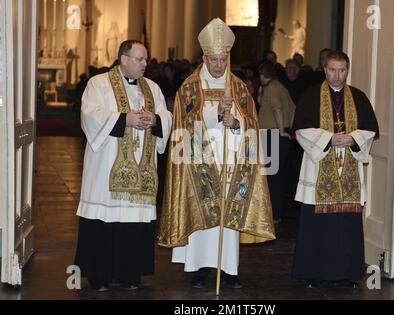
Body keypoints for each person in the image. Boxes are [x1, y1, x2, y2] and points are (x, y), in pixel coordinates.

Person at [158, 18, 275, 290]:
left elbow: (251, 122)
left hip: (232, 161)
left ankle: (229, 269)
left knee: (227, 218)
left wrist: (235, 122)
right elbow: (183, 123)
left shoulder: (239, 88)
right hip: (198, 161)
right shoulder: (189, 86)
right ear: (204, 57)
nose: (219, 65)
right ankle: (199, 270)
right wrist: (214, 114)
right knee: (202, 216)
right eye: (213, 60)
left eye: (223, 60)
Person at [74, 40, 172, 292]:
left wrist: (155, 119)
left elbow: (167, 116)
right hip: (106, 168)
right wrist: (124, 119)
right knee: (105, 219)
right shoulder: (98, 84)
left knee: (135, 221)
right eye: (139, 59)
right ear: (123, 59)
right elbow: (89, 115)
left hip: (142, 169)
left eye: (146, 60)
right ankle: (100, 276)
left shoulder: (153, 87)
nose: (144, 64)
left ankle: (131, 274)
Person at [292, 51, 379, 289]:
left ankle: (345, 272)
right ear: (325, 69)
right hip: (318, 166)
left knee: (346, 224)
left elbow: (370, 129)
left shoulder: (358, 97)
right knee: (315, 225)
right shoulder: (311, 96)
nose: (337, 75)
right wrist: (329, 139)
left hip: (348, 164)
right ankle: (312, 272)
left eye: (341, 70)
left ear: (347, 70)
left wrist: (352, 138)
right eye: (332, 69)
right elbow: (300, 129)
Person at [258, 61, 296, 223]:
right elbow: (293, 109)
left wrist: (281, 132)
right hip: (278, 133)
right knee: (276, 175)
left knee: (272, 176)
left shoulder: (272, 89)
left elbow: (277, 109)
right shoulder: (279, 87)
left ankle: (273, 213)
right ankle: (275, 212)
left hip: (273, 134)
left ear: (261, 75)